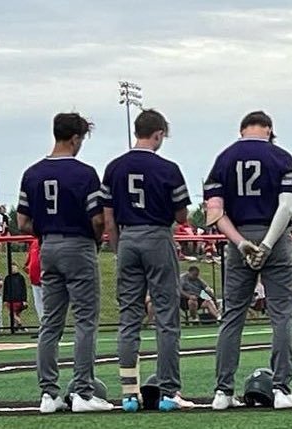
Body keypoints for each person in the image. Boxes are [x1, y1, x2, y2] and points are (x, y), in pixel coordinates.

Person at [203, 111, 292, 410]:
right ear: (269, 129)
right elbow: (286, 207)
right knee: (281, 315)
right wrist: (267, 244)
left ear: (241, 130)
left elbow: (215, 212)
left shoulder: (224, 159)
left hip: (239, 237)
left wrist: (240, 242)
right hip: (274, 235)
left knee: (232, 316)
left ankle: (223, 391)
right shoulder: (281, 157)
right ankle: (282, 388)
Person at [101, 109, 196, 411]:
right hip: (156, 235)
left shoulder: (114, 168)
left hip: (127, 238)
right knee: (167, 317)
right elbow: (181, 216)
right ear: (158, 134)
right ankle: (169, 392)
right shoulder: (168, 169)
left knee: (129, 318)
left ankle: (129, 393)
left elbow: (108, 219)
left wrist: (119, 249)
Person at [18, 112, 112, 413]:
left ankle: (48, 394)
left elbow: (22, 222)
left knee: (50, 322)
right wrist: (95, 241)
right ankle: (83, 391)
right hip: (78, 244)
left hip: (47, 246)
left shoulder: (32, 173)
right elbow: (97, 219)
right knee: (85, 320)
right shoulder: (85, 174)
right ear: (75, 138)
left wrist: (47, 231)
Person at [3, 264, 27, 331]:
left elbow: (24, 289)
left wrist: (24, 300)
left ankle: (15, 327)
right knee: (12, 313)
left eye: (14, 268)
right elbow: (5, 289)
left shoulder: (21, 277)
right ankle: (20, 323)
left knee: (17, 313)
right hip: (10, 299)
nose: (13, 269)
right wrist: (4, 300)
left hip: (19, 299)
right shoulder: (7, 278)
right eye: (12, 268)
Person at [26, 239, 42, 338]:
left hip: (46, 279)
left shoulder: (46, 240)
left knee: (48, 306)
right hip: (35, 279)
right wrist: (29, 269)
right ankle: (44, 327)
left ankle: (53, 330)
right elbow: (29, 261)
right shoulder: (34, 243)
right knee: (38, 305)